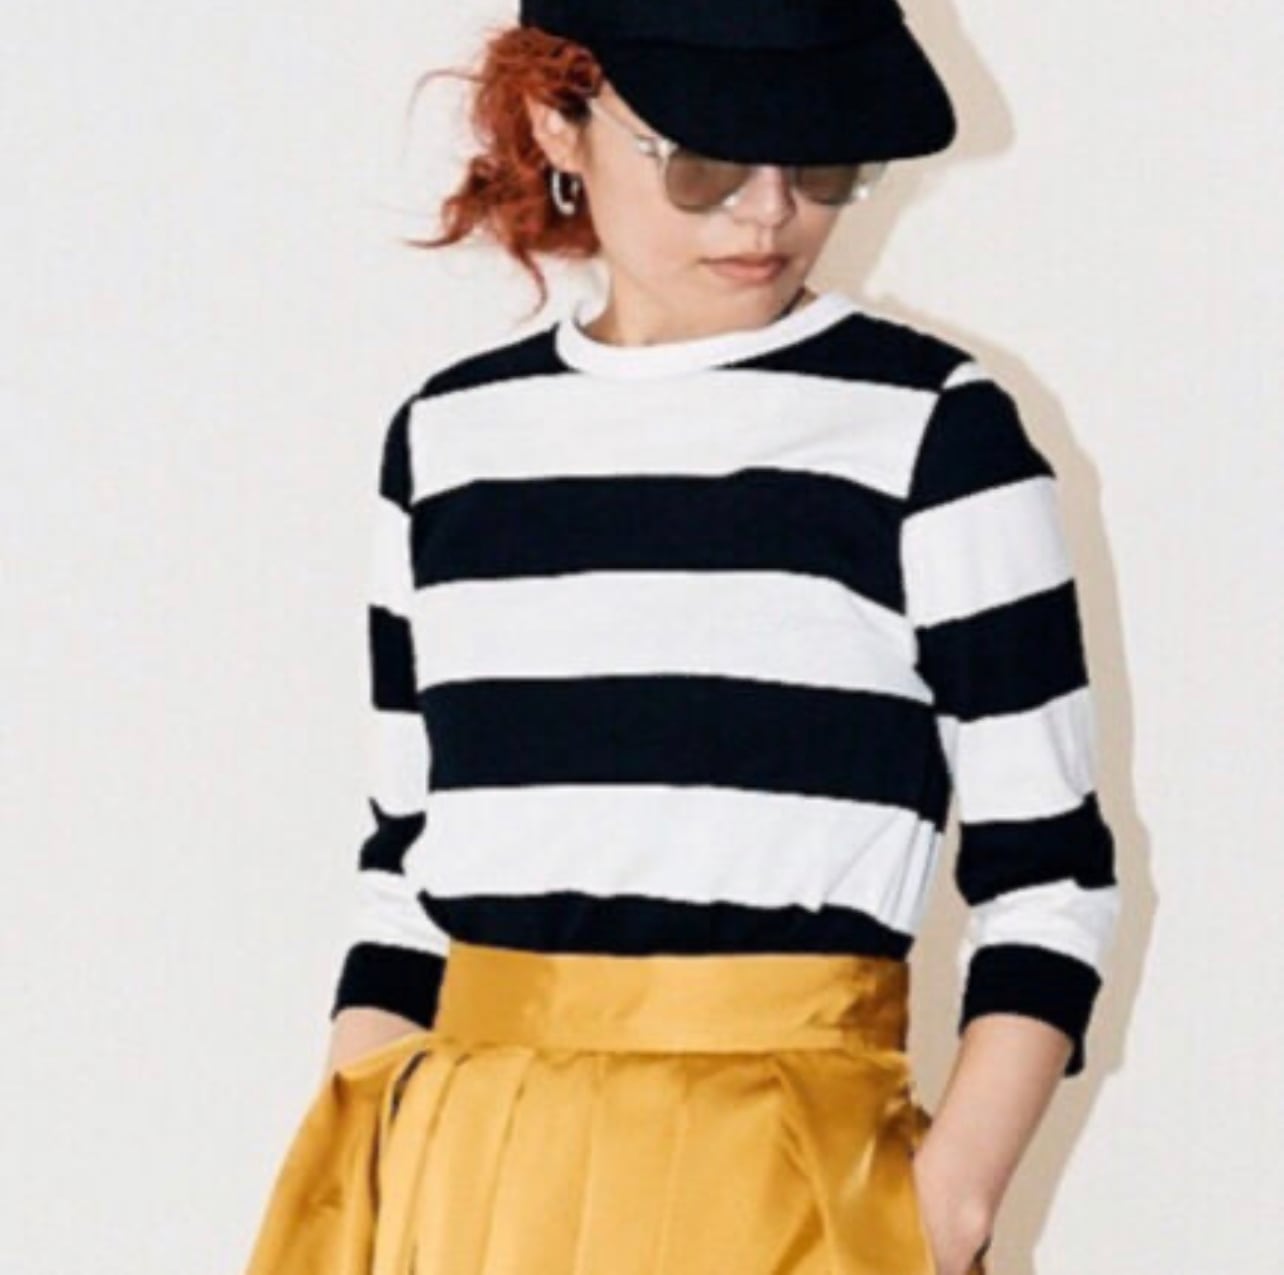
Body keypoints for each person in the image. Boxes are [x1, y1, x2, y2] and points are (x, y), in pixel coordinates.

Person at [242, 3, 1122, 1273]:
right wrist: (364, 1169)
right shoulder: (448, 440)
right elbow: (408, 871)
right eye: (706, 164)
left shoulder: (937, 432)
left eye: (821, 165)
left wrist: (948, 1209)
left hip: (788, 1180)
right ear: (558, 120)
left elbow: (1049, 877)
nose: (769, 214)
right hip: (467, 1179)